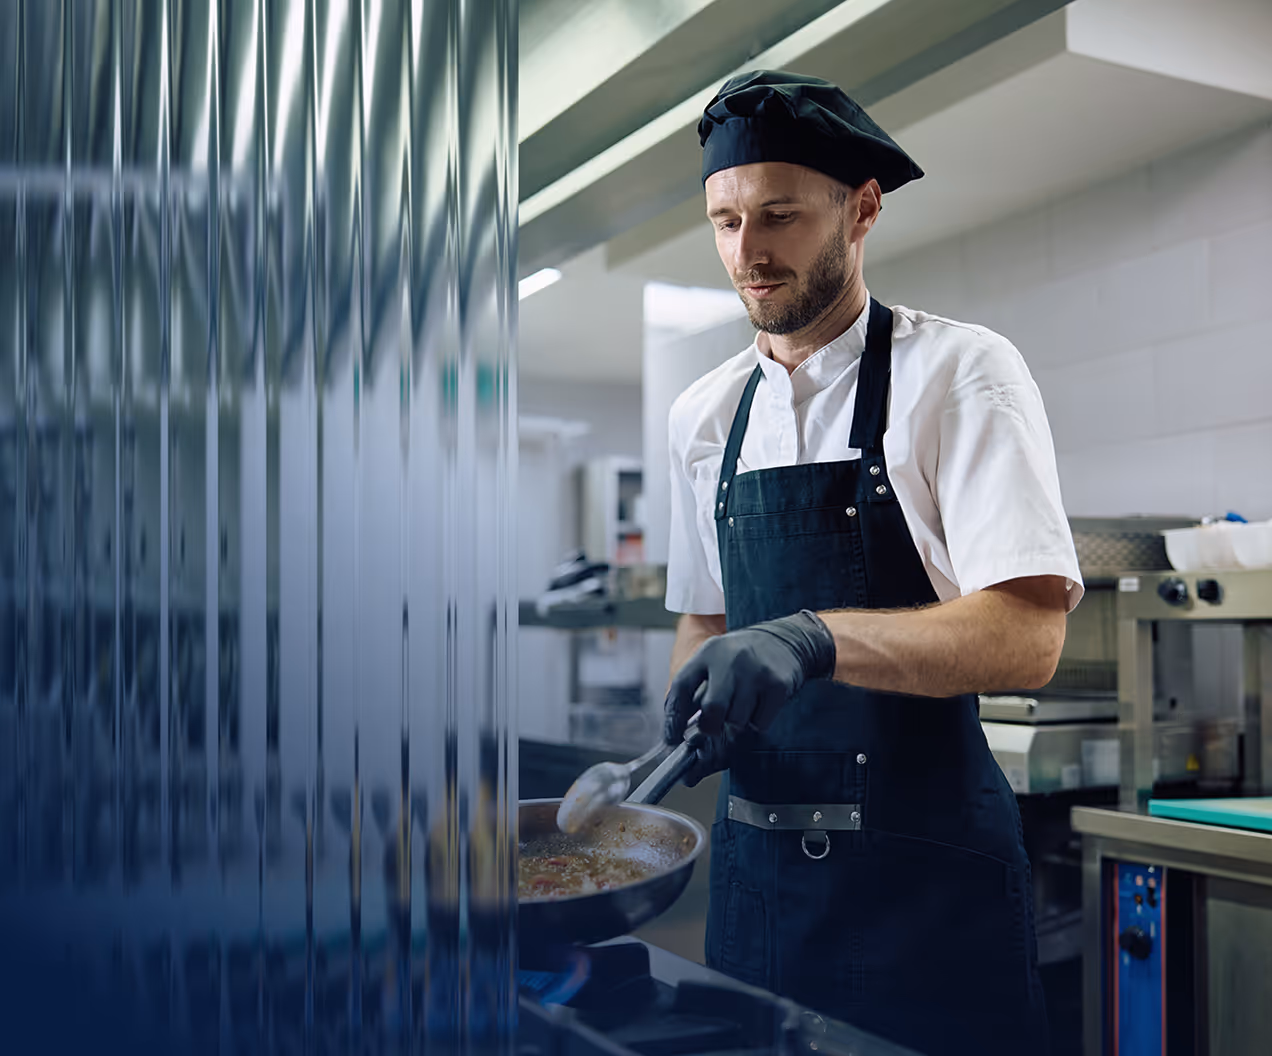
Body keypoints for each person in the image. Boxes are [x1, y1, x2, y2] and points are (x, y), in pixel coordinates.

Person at [662, 70, 1083, 1056]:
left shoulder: (960, 372)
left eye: (779, 217)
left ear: (861, 210)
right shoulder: (704, 416)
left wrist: (811, 641)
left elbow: (1029, 634)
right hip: (758, 887)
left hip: (923, 888)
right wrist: (689, 715)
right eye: (724, 222)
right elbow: (706, 621)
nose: (748, 255)